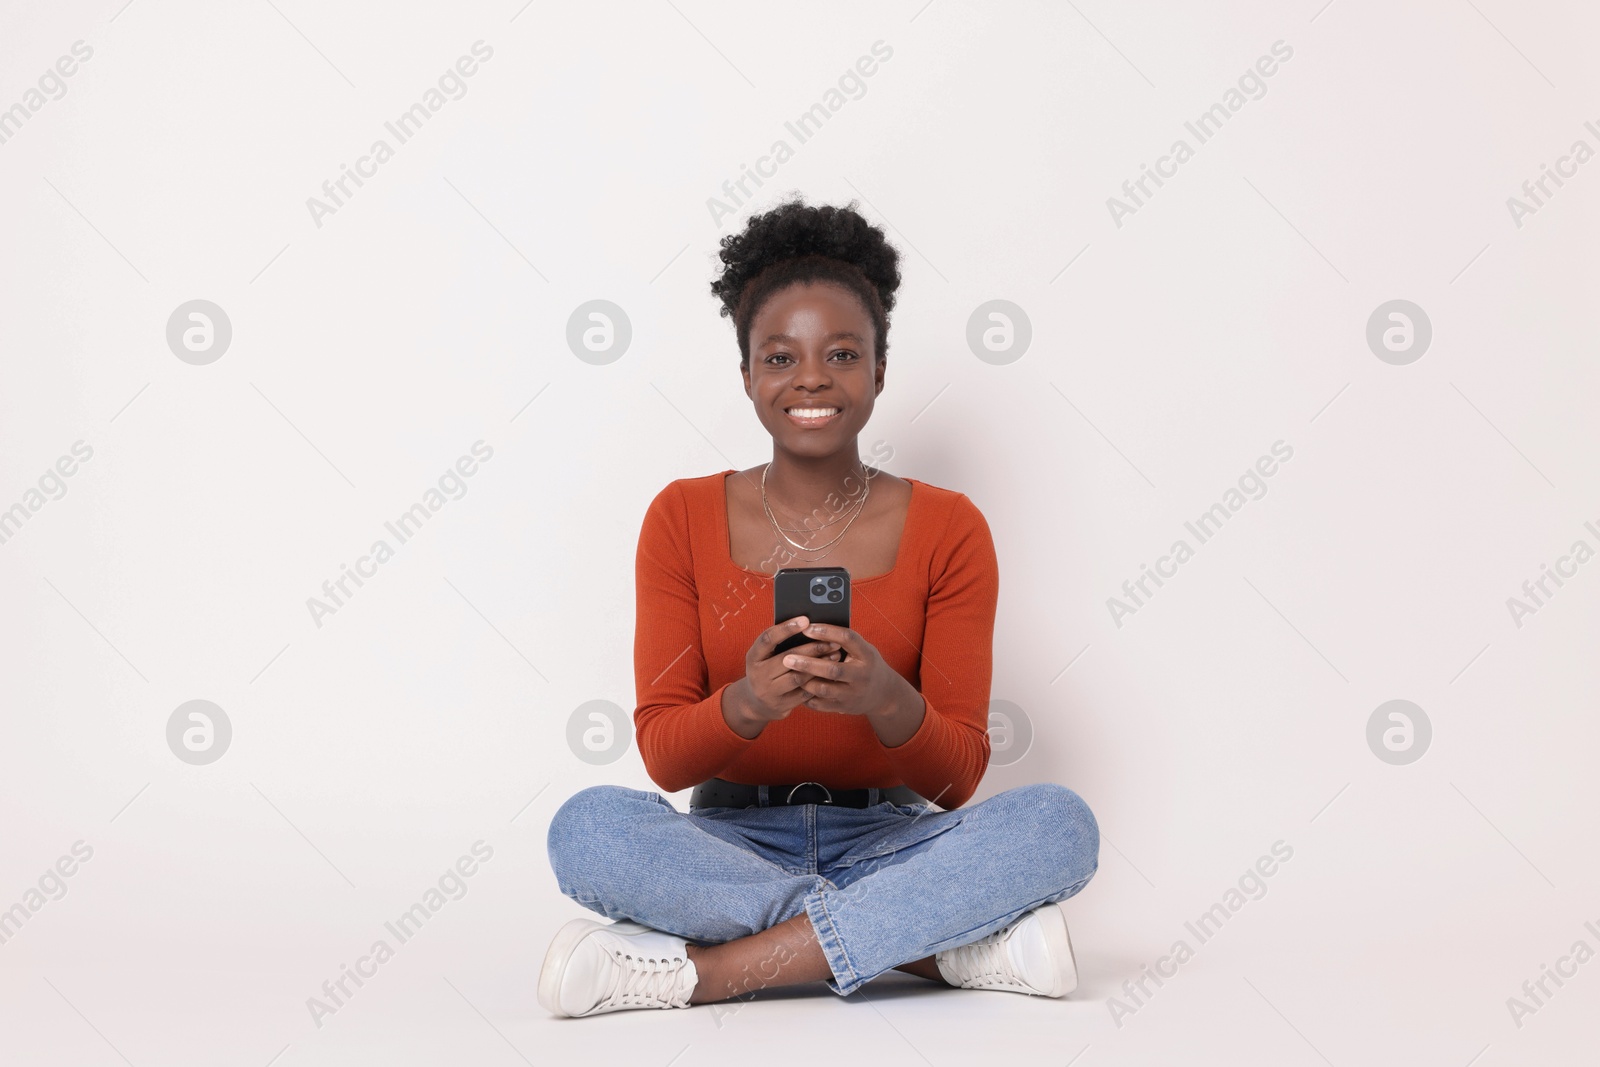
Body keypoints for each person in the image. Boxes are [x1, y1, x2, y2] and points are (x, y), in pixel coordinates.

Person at [540, 196, 1099, 1018]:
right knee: (586, 828)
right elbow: (663, 756)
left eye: (841, 352)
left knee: (1060, 824)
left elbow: (960, 778)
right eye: (779, 356)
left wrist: (886, 700)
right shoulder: (679, 516)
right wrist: (747, 703)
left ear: (879, 370)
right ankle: (935, 948)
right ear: (747, 375)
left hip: (893, 838)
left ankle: (703, 973)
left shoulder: (950, 526)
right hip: (731, 842)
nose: (810, 379)